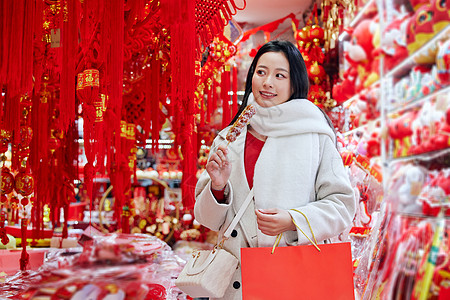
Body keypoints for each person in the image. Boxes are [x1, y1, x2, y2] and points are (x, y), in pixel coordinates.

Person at [194, 40, 356, 300]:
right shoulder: (228, 138)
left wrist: (294, 220)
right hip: (235, 283)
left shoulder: (315, 134)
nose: (267, 82)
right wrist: (217, 188)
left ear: (294, 84)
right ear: (251, 76)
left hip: (292, 278)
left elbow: (343, 205)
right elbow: (207, 219)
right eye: (261, 72)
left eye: (280, 75)